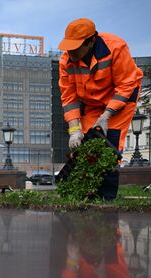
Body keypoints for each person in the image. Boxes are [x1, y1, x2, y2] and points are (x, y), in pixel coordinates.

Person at [58, 18, 143, 200]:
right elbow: (69, 97)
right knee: (87, 143)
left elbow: (126, 85)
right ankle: (87, 193)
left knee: (109, 143)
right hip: (92, 103)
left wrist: (107, 115)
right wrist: (74, 130)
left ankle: (107, 197)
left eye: (76, 47)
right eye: (69, 46)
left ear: (90, 42)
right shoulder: (66, 60)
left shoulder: (116, 47)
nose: (70, 51)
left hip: (120, 100)